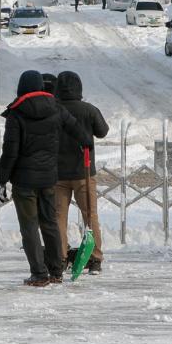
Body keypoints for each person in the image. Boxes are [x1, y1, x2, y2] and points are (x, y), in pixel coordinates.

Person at [0, 70, 87, 286]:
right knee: (50, 223)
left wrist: (2, 179)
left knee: (29, 227)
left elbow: (10, 152)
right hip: (48, 178)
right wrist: (86, 143)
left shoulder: (16, 114)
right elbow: (78, 131)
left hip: (24, 182)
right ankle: (56, 271)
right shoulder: (56, 107)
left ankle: (39, 273)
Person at [52, 71, 109, 275]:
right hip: (83, 171)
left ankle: (60, 258)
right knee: (90, 215)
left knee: (59, 217)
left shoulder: (54, 110)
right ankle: (95, 259)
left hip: (58, 173)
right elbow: (102, 131)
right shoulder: (89, 110)